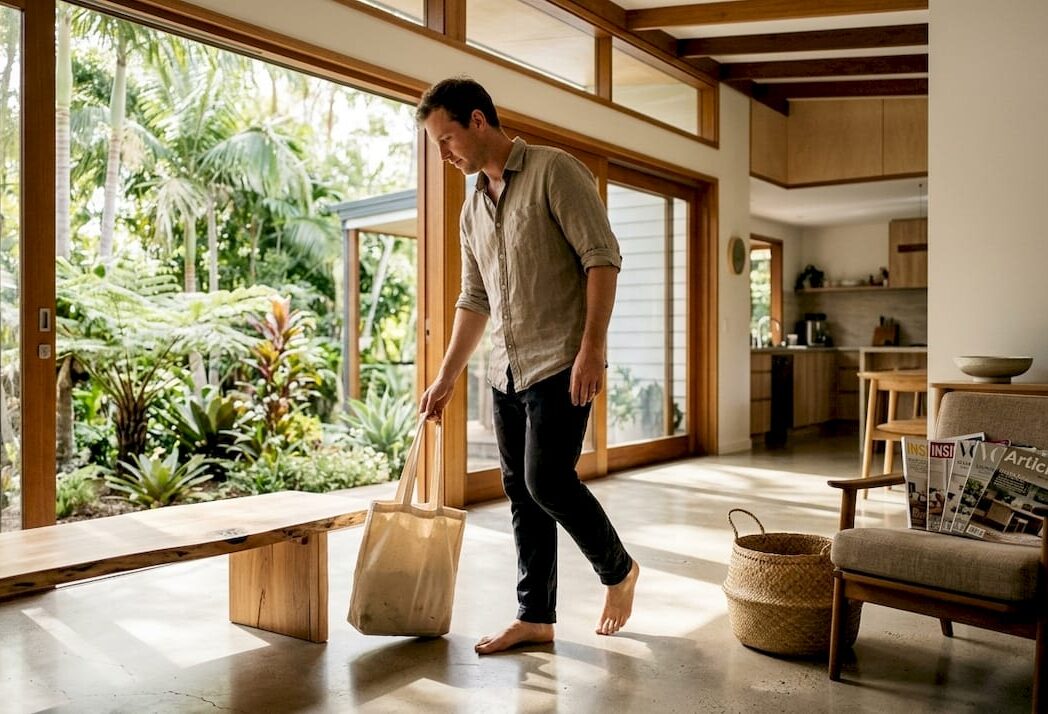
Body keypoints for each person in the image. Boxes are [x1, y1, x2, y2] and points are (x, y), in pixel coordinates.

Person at [416, 77, 640, 655]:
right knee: (521, 493)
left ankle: (618, 570)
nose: (444, 155)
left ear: (478, 121)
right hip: (505, 371)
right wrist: (445, 378)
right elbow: (474, 298)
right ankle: (535, 615)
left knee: (548, 481)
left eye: (446, 139)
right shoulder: (472, 206)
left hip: (561, 362)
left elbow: (602, 258)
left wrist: (592, 347)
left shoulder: (554, 171)